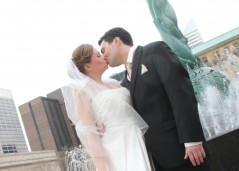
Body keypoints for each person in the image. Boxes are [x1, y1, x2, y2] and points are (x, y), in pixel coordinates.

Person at [98, 27, 212, 171]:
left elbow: (181, 93)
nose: (103, 56)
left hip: (185, 152)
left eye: (103, 50)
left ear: (116, 41)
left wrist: (192, 140)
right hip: (156, 160)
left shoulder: (155, 51)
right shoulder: (124, 83)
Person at [61, 44, 152, 171]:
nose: (103, 56)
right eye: (98, 55)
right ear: (88, 66)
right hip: (115, 145)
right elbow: (91, 135)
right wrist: (101, 167)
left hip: (135, 137)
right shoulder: (82, 94)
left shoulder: (114, 83)